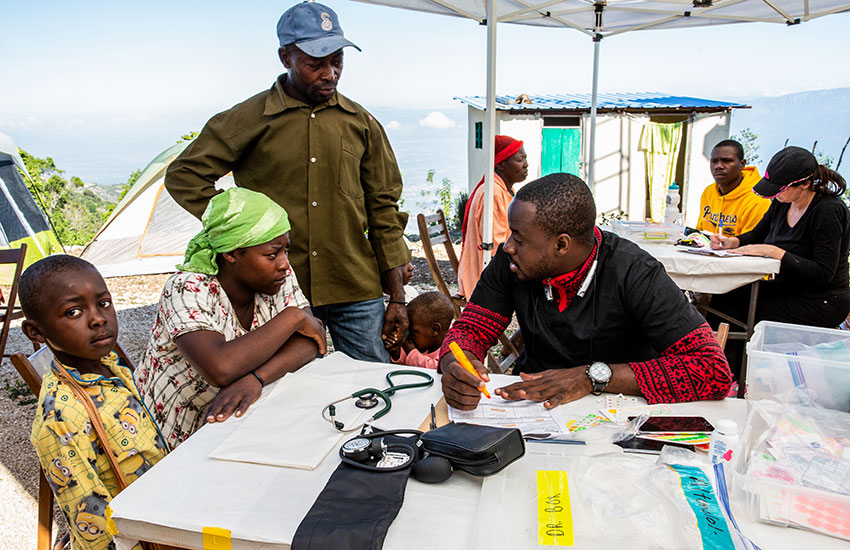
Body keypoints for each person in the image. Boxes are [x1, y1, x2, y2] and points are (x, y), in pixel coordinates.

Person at [163, 1, 411, 364]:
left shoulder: (361, 123)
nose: (330, 73)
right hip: (276, 293)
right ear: (285, 57)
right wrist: (238, 227)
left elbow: (384, 210)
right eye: (315, 64)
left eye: (337, 61)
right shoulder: (248, 119)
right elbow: (185, 176)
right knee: (285, 393)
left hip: (354, 287)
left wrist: (398, 297)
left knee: (371, 386)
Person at [439, 173, 732, 410]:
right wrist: (456, 362)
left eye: (519, 237)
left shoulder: (634, 272)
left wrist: (590, 377)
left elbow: (712, 370)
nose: (508, 246)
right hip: (532, 409)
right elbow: (470, 330)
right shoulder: (512, 262)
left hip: (620, 412)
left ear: (561, 245)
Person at [137, 188, 326, 448]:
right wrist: (292, 318)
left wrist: (256, 378)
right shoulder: (187, 288)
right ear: (231, 254)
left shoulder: (277, 275)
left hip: (235, 420)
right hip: (169, 432)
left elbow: (312, 340)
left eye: (286, 251)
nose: (284, 263)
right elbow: (221, 368)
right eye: (272, 254)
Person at [21, 256, 169, 550]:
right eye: (74, 311)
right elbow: (94, 526)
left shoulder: (113, 368)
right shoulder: (60, 419)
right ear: (37, 332)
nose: (98, 318)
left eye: (103, 303)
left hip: (162, 517)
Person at [709, 146, 850, 330]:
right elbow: (758, 234)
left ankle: (737, 356)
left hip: (822, 300)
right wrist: (733, 241)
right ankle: (716, 356)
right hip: (788, 287)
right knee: (725, 296)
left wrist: (774, 252)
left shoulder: (827, 210)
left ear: (805, 184)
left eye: (780, 189)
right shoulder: (783, 202)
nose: (776, 194)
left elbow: (823, 274)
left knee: (742, 312)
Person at [458, 135, 528, 298]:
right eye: (520, 159)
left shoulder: (502, 190)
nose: (526, 164)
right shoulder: (493, 193)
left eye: (525, 158)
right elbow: (497, 246)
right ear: (501, 164)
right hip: (485, 276)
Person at [695, 139, 770, 237]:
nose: (718, 166)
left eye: (726, 161)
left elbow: (750, 246)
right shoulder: (708, 192)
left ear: (742, 164)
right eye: (714, 161)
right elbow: (699, 233)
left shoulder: (758, 201)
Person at [385, 292, 454, 370]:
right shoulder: (423, 344)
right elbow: (405, 361)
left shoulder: (450, 350)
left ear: (435, 330)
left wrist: (411, 351)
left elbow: (435, 368)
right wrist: (396, 352)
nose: (409, 336)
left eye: (413, 332)